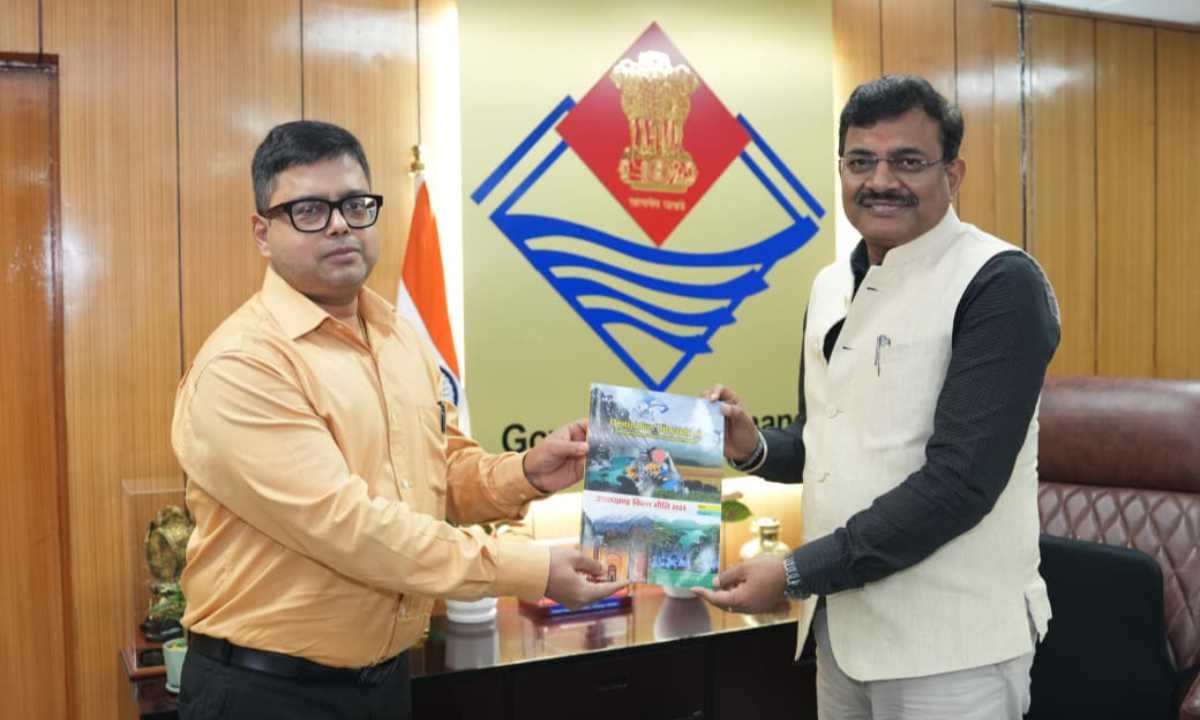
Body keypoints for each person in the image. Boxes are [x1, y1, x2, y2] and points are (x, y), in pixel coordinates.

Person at [171, 120, 625, 720]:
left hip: (384, 683)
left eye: (355, 205)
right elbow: (351, 528)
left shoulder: (398, 337)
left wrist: (527, 472)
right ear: (263, 232)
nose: (340, 224)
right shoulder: (244, 365)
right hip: (267, 693)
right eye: (309, 210)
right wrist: (531, 569)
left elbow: (439, 474)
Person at [694, 75, 1060, 719]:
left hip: (952, 652)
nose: (881, 181)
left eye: (908, 162)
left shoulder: (1000, 283)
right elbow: (825, 439)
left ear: (953, 173)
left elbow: (959, 483)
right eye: (861, 161)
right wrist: (754, 448)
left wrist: (795, 572)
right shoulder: (831, 284)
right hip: (842, 637)